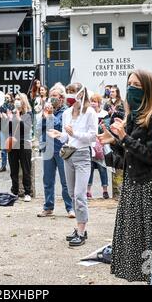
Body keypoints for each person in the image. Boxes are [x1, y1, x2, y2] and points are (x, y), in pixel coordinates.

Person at [97, 69, 152, 282]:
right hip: (132, 188)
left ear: (148, 89)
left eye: (137, 85)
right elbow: (129, 156)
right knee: (136, 241)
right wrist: (115, 142)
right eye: (129, 83)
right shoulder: (132, 116)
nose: (131, 88)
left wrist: (123, 138)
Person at [47, 82, 97, 247]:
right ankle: (79, 226)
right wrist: (59, 134)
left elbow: (92, 136)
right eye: (67, 91)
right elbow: (66, 137)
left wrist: (74, 133)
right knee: (72, 193)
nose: (69, 94)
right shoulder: (67, 113)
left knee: (80, 194)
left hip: (83, 155)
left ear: (81, 94)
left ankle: (81, 232)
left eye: (72, 92)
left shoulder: (90, 112)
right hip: (68, 154)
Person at [36, 83, 75, 218]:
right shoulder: (46, 110)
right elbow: (39, 128)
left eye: (54, 96)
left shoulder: (66, 111)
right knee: (47, 180)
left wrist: (50, 116)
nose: (51, 98)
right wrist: (44, 116)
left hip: (61, 149)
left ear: (61, 98)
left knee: (66, 181)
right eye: (50, 96)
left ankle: (70, 208)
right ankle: (48, 207)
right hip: (47, 148)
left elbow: (59, 127)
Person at [5, 93, 33, 202]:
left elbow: (26, 129)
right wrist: (9, 120)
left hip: (24, 143)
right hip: (14, 143)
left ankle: (27, 192)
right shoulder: (12, 112)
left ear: (23, 101)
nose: (16, 101)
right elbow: (7, 130)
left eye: (19, 99)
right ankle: (15, 191)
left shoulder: (28, 114)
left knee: (26, 168)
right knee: (13, 169)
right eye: (15, 99)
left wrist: (18, 118)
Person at [87, 93, 110, 200]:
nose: (93, 103)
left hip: (101, 143)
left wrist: (99, 128)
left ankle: (105, 190)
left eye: (95, 102)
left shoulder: (104, 114)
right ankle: (88, 190)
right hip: (90, 143)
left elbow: (106, 127)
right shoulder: (87, 113)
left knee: (102, 166)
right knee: (90, 166)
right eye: (91, 101)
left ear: (99, 103)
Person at [0, 92, 14, 173]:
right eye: (5, 97)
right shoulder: (2, 107)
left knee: (11, 149)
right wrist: (1, 117)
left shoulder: (13, 107)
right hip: (3, 130)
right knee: (3, 149)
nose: (6, 99)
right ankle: (3, 166)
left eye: (8, 97)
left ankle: (13, 166)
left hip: (11, 130)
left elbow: (13, 119)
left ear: (11, 98)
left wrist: (7, 118)